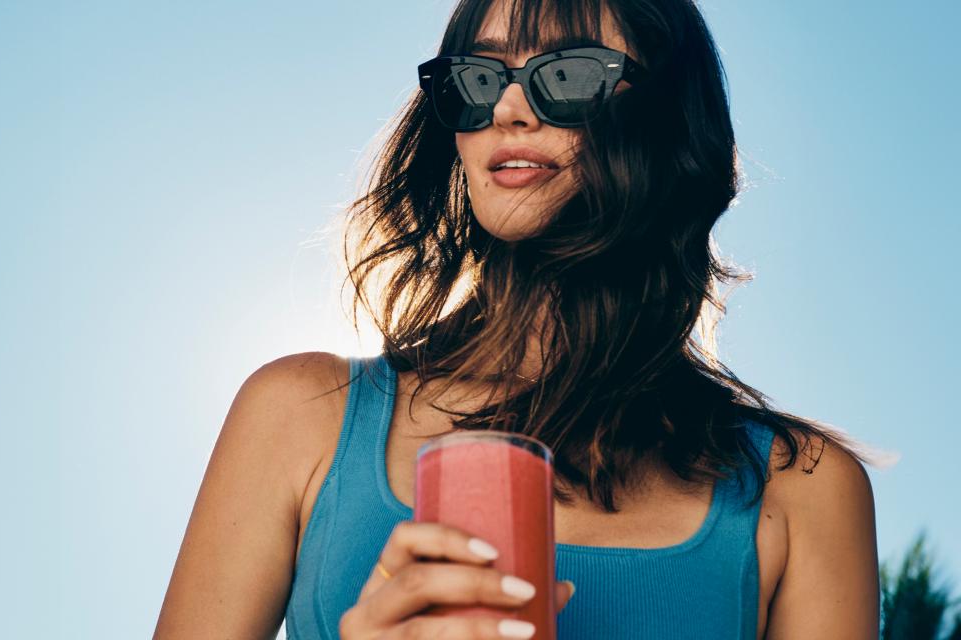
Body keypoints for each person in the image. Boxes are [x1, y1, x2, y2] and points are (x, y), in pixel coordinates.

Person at [153, 0, 881, 637]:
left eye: (567, 76)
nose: (507, 109)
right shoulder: (299, 416)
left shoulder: (804, 491)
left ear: (671, 116)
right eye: (479, 79)